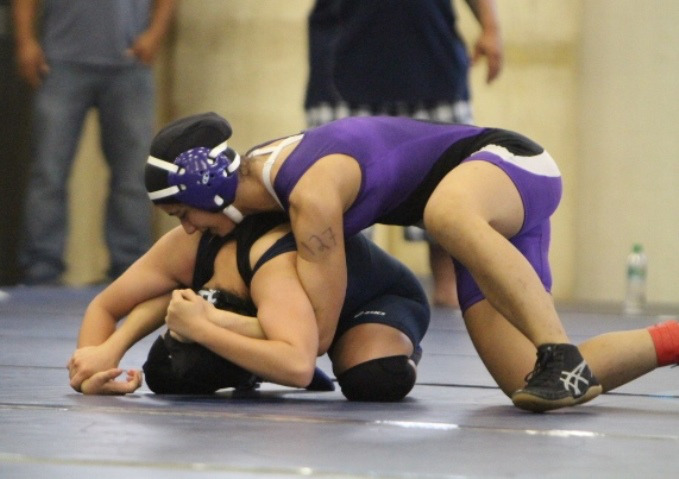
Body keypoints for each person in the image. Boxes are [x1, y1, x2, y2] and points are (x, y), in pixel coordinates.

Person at [144, 112, 679, 412]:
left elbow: (319, 337)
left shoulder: (309, 199)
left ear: (207, 190)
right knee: (525, 380)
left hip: (506, 165)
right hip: (486, 215)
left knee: (444, 214)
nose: (186, 229)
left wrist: (213, 325)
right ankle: (667, 341)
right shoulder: (268, 183)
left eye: (182, 214)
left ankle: (558, 352)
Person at [67, 209, 430, 401]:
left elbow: (299, 366)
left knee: (373, 379)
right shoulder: (196, 245)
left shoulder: (266, 254)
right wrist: (99, 364)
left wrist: (202, 327)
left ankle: (402, 350)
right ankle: (257, 362)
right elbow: (116, 305)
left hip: (372, 300)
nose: (187, 227)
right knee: (167, 374)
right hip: (294, 322)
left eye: (183, 212)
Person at [304, 0, 503, 308]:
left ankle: (450, 293)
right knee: (334, 198)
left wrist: (491, 27)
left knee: (450, 186)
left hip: (432, 59)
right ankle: (336, 297)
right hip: (344, 60)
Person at [12, 0, 176, 284]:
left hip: (129, 64)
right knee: (48, 172)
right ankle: (41, 269)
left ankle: (130, 268)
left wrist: (155, 35)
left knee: (133, 175)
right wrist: (25, 41)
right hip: (60, 62)